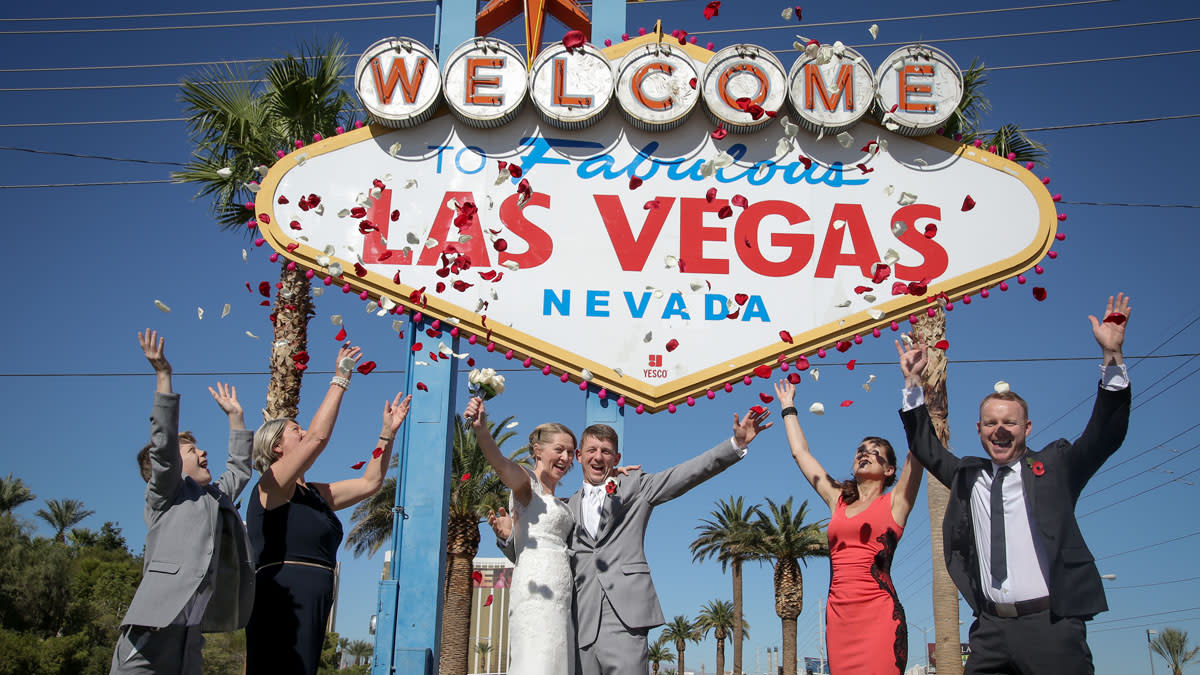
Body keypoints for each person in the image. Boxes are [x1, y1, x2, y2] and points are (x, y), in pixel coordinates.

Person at [897, 293, 1132, 674]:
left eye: (1009, 422)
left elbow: (1104, 435)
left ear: (1027, 428)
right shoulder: (967, 476)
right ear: (979, 431)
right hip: (990, 630)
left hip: (1051, 626)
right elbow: (925, 445)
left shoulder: (1056, 466)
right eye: (991, 423)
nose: (1000, 429)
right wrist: (913, 382)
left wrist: (1112, 358)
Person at [491, 408, 773, 675]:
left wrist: (734, 444)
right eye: (591, 450)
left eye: (606, 452)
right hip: (579, 623)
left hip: (625, 620)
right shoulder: (565, 507)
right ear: (579, 456)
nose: (598, 457)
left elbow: (687, 474)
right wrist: (508, 539)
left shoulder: (637, 486)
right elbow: (545, 554)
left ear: (617, 457)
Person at [244, 343, 411, 675]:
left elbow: (369, 483)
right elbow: (318, 438)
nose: (303, 432)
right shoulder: (270, 486)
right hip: (281, 597)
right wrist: (341, 377)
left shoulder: (316, 494)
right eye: (296, 431)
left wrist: (386, 434)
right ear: (277, 447)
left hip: (317, 599)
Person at [111, 329, 255, 675]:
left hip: (190, 640)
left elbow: (239, 469)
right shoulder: (166, 496)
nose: (204, 452)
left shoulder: (216, 497)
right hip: (149, 634)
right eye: (192, 450)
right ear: (173, 466)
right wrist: (163, 375)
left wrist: (236, 418)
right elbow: (163, 447)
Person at [772, 379, 924, 674]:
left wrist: (913, 387)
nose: (865, 453)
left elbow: (917, 450)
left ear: (889, 470)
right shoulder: (838, 499)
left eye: (875, 451)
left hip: (879, 615)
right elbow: (801, 454)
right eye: (860, 450)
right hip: (839, 619)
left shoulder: (896, 503)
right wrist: (788, 407)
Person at [465, 397, 578, 673]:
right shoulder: (526, 483)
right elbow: (501, 465)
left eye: (571, 452)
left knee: (557, 658)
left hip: (562, 590)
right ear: (538, 450)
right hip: (535, 588)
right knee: (537, 658)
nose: (566, 458)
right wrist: (481, 431)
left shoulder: (562, 500)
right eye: (559, 449)